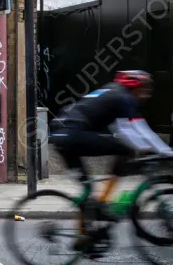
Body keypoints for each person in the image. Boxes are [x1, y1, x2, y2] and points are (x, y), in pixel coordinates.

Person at [51, 71, 173, 208]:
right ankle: (105, 199)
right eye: (145, 90)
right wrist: (164, 151)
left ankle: (87, 220)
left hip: (62, 135)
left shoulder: (113, 91)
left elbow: (122, 128)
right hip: (71, 134)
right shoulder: (124, 97)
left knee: (87, 192)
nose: (147, 95)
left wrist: (145, 146)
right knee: (124, 149)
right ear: (136, 87)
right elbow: (137, 129)